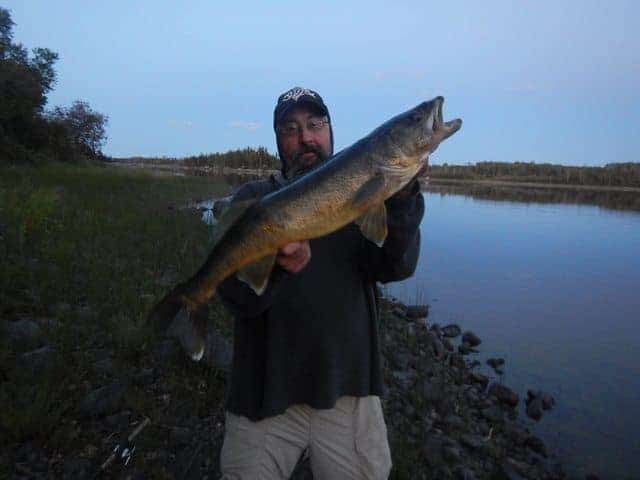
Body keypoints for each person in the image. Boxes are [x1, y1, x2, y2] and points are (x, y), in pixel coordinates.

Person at [217, 86, 425, 479]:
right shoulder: (253, 200)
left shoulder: (365, 197)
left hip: (348, 388)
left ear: (330, 130)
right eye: (291, 128)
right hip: (264, 393)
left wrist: (403, 192)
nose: (305, 137)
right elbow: (237, 298)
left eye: (315, 124)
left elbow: (396, 266)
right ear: (277, 139)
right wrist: (276, 266)